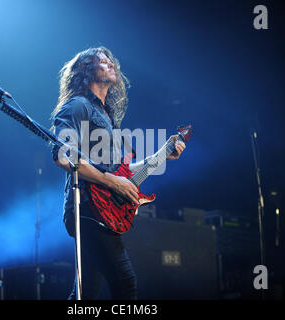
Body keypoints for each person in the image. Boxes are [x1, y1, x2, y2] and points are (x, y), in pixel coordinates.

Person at [51, 47, 186, 300]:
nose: (110, 64)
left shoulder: (107, 115)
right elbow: (62, 155)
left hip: (103, 209)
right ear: (85, 70)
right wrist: (112, 182)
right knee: (125, 285)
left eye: (110, 61)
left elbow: (120, 171)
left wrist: (162, 155)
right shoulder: (78, 105)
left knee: (85, 292)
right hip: (88, 209)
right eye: (101, 61)